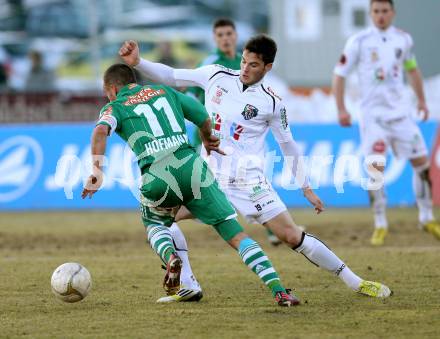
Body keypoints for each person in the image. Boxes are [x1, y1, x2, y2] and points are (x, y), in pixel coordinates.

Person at [119, 34, 392, 303]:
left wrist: (306, 188)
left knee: (291, 235)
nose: (245, 69)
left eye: (253, 65)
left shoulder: (272, 103)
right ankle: (188, 285)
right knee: (162, 221)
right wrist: (139, 62)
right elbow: (172, 75)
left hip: (248, 180)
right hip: (207, 178)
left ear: (268, 67)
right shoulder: (216, 75)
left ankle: (356, 282)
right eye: (244, 62)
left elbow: (288, 145)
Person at [81, 63, 300, 307]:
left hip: (158, 174)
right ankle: (279, 291)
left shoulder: (115, 106)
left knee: (155, 224)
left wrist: (96, 172)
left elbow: (100, 131)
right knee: (236, 234)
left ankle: (171, 257)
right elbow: (204, 117)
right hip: (194, 168)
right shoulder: (166, 92)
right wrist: (207, 139)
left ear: (111, 89)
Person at [332, 0, 440, 246]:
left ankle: (426, 217)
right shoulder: (358, 41)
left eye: (384, 11)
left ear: (393, 12)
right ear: (371, 14)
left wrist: (422, 101)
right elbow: (339, 75)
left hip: (401, 113)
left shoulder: (403, 39)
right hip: (373, 117)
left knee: (422, 163)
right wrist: (341, 108)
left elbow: (412, 70)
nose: (380, 16)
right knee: (375, 167)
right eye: (376, 11)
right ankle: (380, 222)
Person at [188, 17, 282, 246]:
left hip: (238, 136)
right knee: (205, 191)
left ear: (235, 36)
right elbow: (190, 97)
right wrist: (201, 124)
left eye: (229, 34)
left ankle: (271, 228)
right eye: (220, 35)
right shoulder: (211, 64)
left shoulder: (246, 61)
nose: (225, 39)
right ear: (215, 38)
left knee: (249, 182)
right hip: (209, 136)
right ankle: (166, 222)